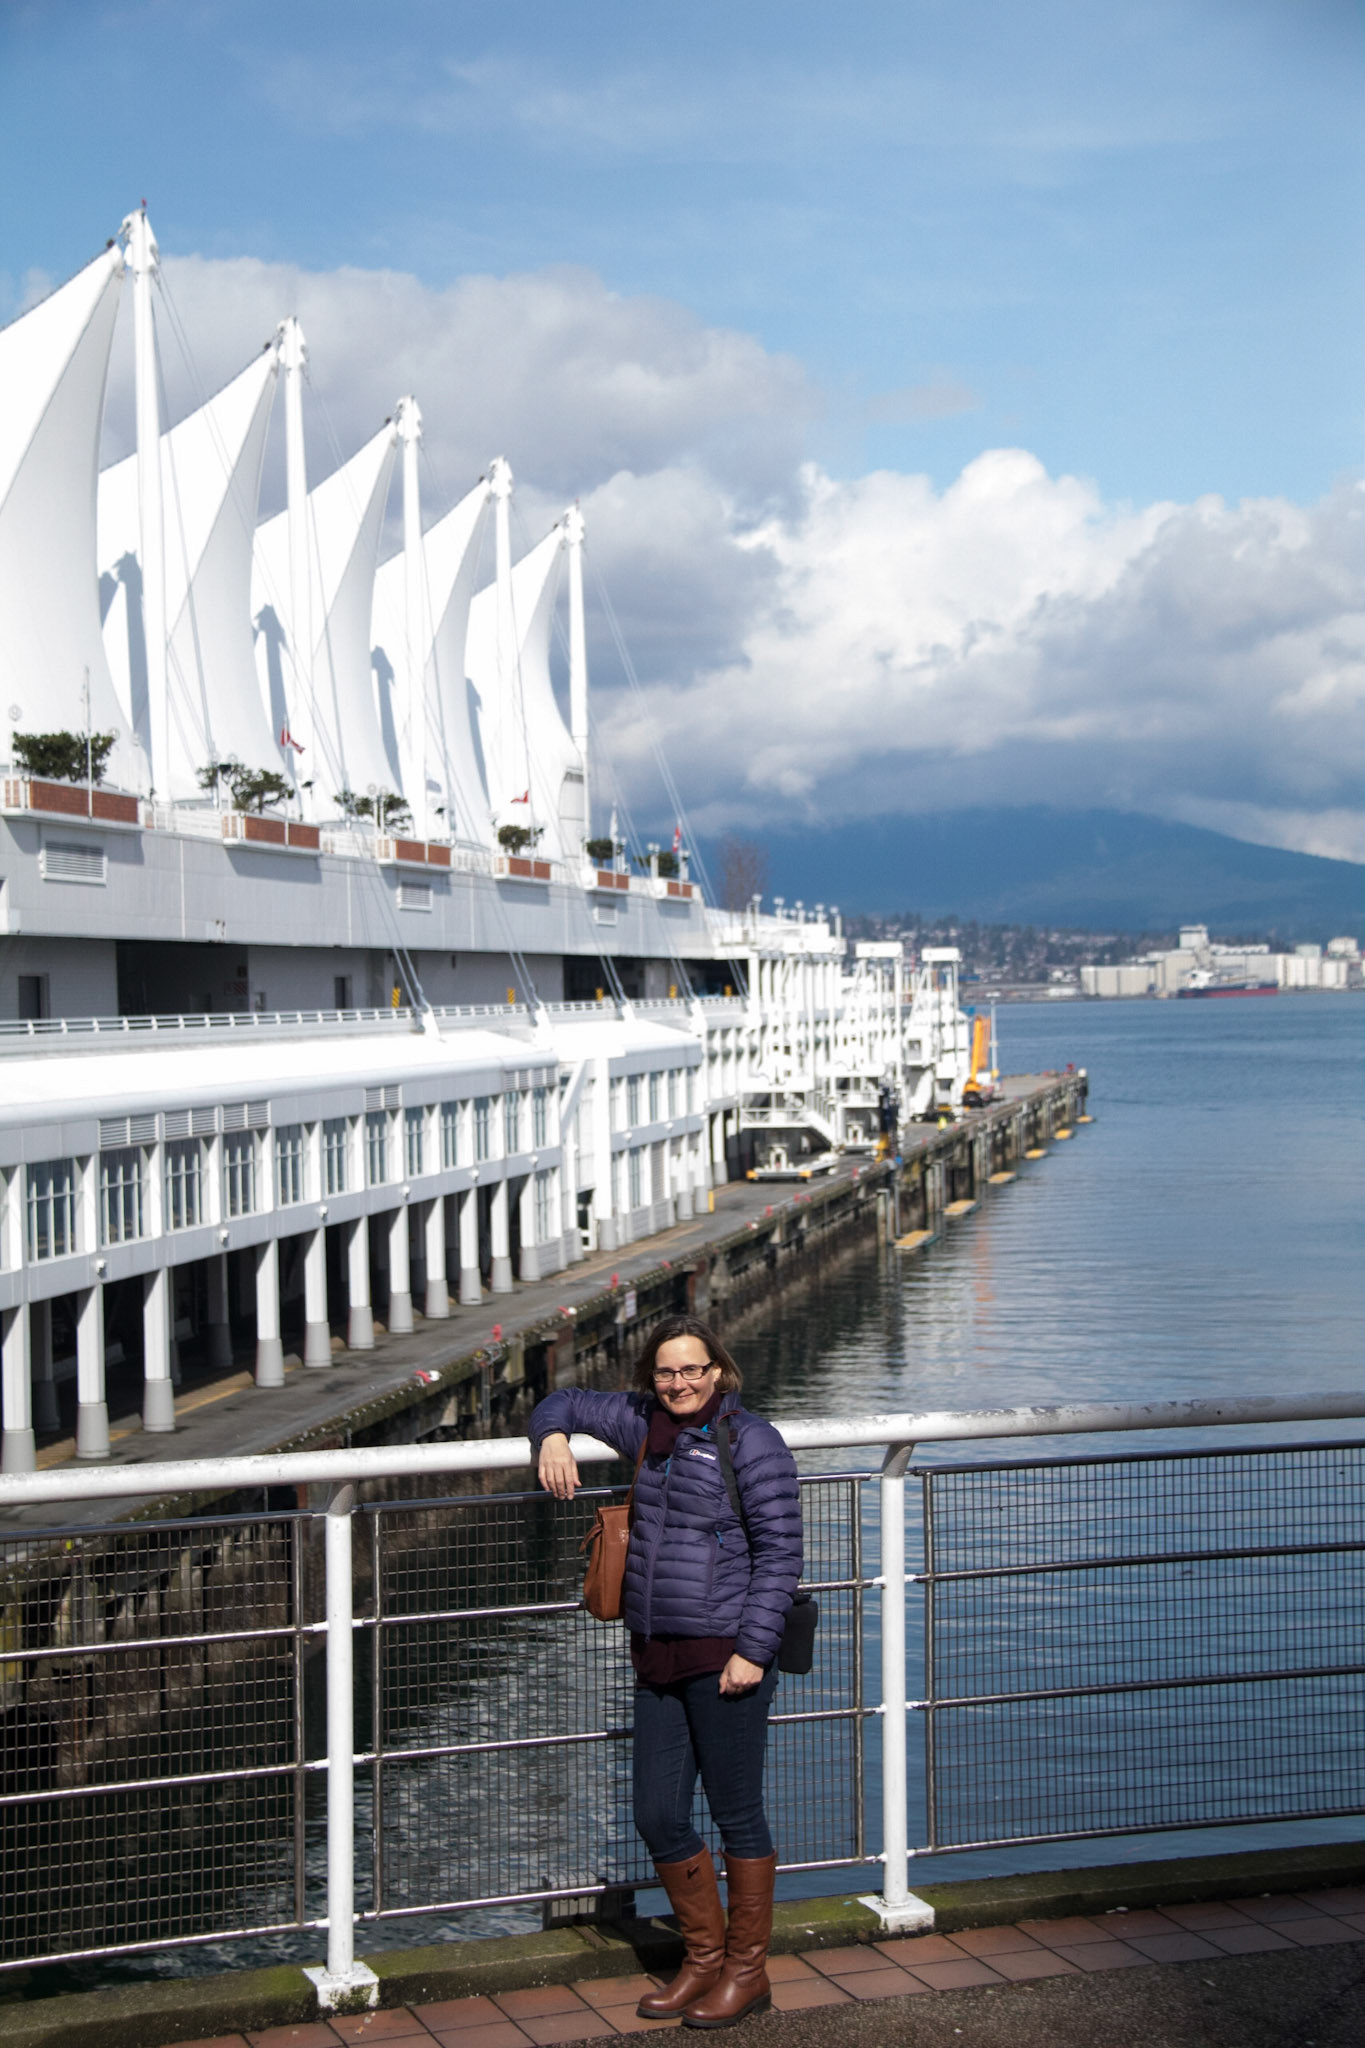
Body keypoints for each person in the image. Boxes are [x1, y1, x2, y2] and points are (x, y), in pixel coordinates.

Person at [531, 1313, 802, 2030]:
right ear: (650, 1378)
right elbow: (562, 1400)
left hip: (725, 1652)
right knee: (656, 1813)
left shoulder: (751, 1440)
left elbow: (780, 1555)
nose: (679, 1383)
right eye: (665, 1372)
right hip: (656, 1653)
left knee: (736, 1813)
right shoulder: (642, 1425)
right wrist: (551, 1438)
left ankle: (747, 1972)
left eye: (692, 1370)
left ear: (718, 1372)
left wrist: (753, 1650)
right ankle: (704, 1960)